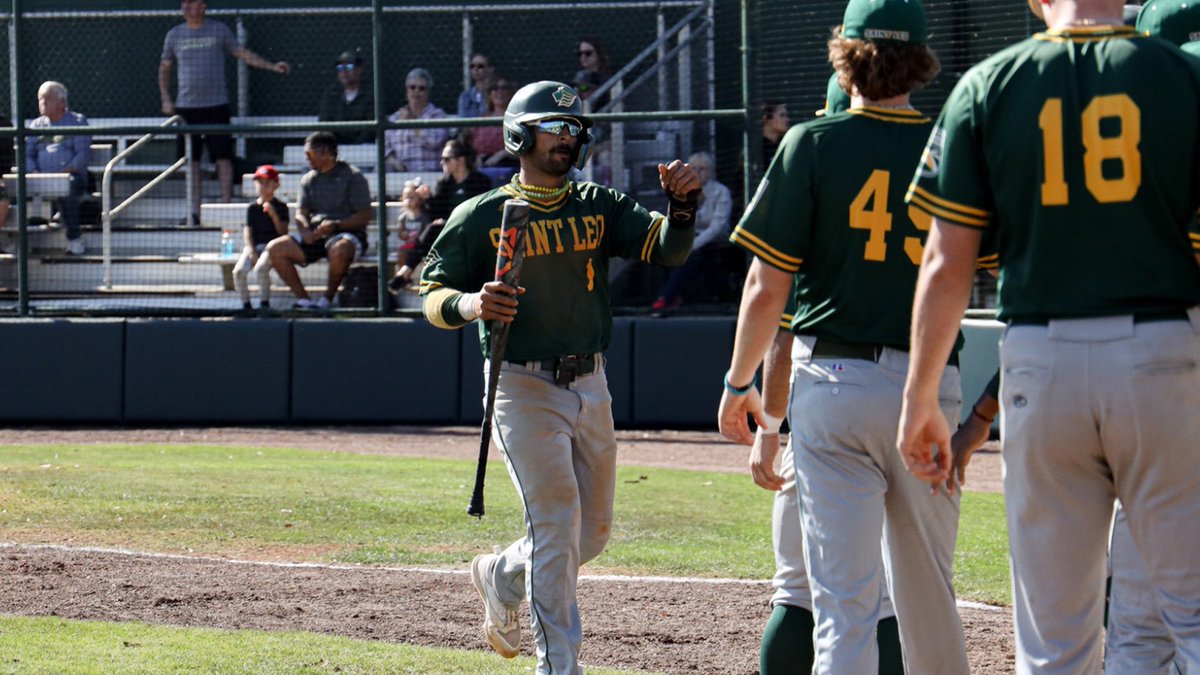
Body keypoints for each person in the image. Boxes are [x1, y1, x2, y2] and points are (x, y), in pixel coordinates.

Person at [897, 0, 1200, 672]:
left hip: (1040, 358)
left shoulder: (989, 82)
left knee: (1055, 645)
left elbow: (945, 261)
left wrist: (920, 399)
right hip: (1162, 350)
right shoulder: (1180, 75)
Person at [718, 0, 971, 672]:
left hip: (832, 385)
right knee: (926, 597)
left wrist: (738, 382)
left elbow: (766, 287)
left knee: (842, 608)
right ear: (920, 61)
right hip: (926, 384)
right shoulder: (950, 141)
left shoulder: (812, 142)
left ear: (844, 55)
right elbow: (973, 271)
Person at [420, 80, 700, 674]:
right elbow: (430, 293)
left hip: (590, 382)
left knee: (589, 535)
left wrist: (682, 208)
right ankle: (559, 666)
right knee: (555, 524)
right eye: (555, 126)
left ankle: (501, 574)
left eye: (574, 129)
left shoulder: (598, 203)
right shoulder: (482, 214)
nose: (567, 138)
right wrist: (472, 304)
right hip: (521, 385)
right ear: (519, 133)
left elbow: (667, 250)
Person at [751, 77, 906, 675]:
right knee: (890, 598)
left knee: (798, 590)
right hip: (911, 392)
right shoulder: (925, 164)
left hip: (825, 399)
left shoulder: (812, 190)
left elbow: (780, 330)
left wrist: (768, 426)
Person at [159, 0, 290, 226]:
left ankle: (226, 208)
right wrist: (166, 98)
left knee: (223, 158)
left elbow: (242, 53)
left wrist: (271, 66)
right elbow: (164, 68)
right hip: (186, 109)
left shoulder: (219, 30)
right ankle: (194, 212)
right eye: (185, 3)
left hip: (216, 106)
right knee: (192, 162)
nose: (188, 7)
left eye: (193, 2)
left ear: (204, 5)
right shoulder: (174, 35)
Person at [265, 131, 371, 310]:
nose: (307, 158)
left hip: (346, 233)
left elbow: (364, 216)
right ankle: (304, 301)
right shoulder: (308, 179)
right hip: (315, 235)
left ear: (325, 152)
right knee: (275, 248)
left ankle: (326, 301)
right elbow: (301, 213)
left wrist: (336, 225)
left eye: (310, 154)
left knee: (340, 249)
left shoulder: (353, 176)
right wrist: (305, 230)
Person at [392, 138, 493, 288]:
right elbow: (435, 214)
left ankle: (406, 271)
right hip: (449, 230)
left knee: (434, 229)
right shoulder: (444, 184)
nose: (442, 163)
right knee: (433, 228)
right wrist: (428, 198)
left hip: (473, 230)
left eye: (446, 159)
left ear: (460, 160)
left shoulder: (480, 182)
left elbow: (484, 212)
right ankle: (406, 272)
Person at [650, 151, 732, 311]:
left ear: (711, 172)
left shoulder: (721, 192)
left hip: (715, 241)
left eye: (702, 168)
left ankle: (665, 297)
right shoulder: (683, 189)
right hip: (690, 236)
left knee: (689, 254)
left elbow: (717, 227)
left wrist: (692, 245)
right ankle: (672, 296)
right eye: (694, 168)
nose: (697, 172)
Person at [27, 81, 91, 256]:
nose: (42, 103)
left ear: (62, 102)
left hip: (70, 177)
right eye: (40, 99)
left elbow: (83, 154)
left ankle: (74, 239)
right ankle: (17, 242)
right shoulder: (36, 125)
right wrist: (34, 172)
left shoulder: (77, 121)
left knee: (67, 186)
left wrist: (63, 173)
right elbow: (28, 155)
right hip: (39, 178)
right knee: (14, 189)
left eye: (47, 99)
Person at [233, 164, 289, 314]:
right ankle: (246, 306)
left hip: (273, 247)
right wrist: (251, 250)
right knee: (238, 271)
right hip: (254, 246)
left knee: (261, 268)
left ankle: (264, 304)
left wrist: (273, 215)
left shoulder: (282, 207)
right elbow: (248, 231)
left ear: (276, 185)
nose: (262, 187)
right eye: (259, 182)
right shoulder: (252, 208)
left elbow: (283, 233)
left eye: (267, 183)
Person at [385, 68, 450, 172]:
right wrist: (394, 162)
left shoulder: (438, 116)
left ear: (428, 92)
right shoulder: (395, 118)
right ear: (407, 92)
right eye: (412, 87)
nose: (416, 91)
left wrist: (411, 121)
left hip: (428, 170)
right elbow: (385, 147)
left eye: (421, 88)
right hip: (400, 172)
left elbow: (434, 141)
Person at [318, 50, 374, 146]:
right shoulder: (331, 95)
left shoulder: (371, 95)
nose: (344, 72)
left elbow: (371, 130)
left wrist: (356, 147)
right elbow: (324, 125)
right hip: (335, 148)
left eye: (349, 67)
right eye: (340, 68)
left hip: (364, 148)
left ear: (359, 70)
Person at [387, 177, 432, 293]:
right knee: (401, 252)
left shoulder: (424, 216)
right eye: (405, 197)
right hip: (409, 245)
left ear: (420, 199)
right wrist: (404, 234)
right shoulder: (403, 217)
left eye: (411, 197)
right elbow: (400, 232)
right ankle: (407, 280)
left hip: (421, 246)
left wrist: (418, 236)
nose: (407, 200)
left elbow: (427, 232)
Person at [474, 77, 518, 168]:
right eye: (495, 88)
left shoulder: (517, 118)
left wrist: (502, 154)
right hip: (483, 165)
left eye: (504, 88)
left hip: (509, 165)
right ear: (489, 94)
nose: (499, 92)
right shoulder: (482, 119)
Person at [575, 38, 612, 110]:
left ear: (598, 54)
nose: (583, 57)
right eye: (580, 54)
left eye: (588, 53)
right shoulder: (580, 76)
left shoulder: (607, 75)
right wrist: (582, 87)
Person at [458, 53, 494, 119]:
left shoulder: (497, 94)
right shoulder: (465, 96)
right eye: (472, 66)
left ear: (490, 69)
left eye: (480, 66)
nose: (475, 69)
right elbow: (462, 120)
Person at [761, 101, 790, 170]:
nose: (787, 119)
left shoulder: (785, 145)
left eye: (786, 115)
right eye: (782, 115)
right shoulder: (755, 149)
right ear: (767, 119)